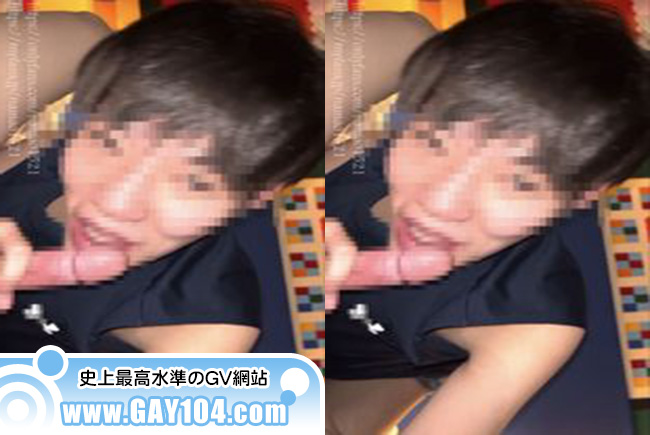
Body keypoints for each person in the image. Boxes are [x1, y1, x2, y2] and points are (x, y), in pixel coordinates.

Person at [324, 2, 650, 434]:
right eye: (435, 142)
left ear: (581, 197)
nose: (441, 203)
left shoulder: (527, 327)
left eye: (518, 182)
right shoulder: (397, 61)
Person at [0, 0, 323, 353]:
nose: (115, 204)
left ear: (257, 197)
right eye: (109, 142)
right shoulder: (43, 155)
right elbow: (74, 36)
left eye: (194, 182)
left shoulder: (200, 337)